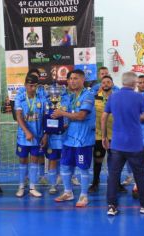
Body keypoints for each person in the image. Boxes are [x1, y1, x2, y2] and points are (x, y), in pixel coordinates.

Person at [102, 71, 144, 216]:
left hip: (117, 144)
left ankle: (111, 206)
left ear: (122, 82)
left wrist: (104, 136)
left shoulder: (113, 97)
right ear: (134, 83)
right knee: (139, 175)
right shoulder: (138, 97)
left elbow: (103, 118)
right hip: (134, 144)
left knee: (113, 175)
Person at [52, 69, 95, 207]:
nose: (72, 81)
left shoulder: (88, 95)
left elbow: (82, 116)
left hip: (83, 140)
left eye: (75, 78)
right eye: (70, 79)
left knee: (83, 168)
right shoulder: (69, 97)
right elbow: (68, 117)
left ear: (83, 80)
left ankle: (83, 196)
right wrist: (60, 124)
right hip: (68, 139)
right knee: (65, 166)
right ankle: (68, 192)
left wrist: (61, 113)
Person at [88, 75, 125, 193]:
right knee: (98, 160)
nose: (105, 84)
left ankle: (117, 184)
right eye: (103, 82)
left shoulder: (118, 99)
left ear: (112, 84)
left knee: (115, 161)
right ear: (100, 85)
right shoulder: (94, 98)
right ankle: (95, 182)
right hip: (99, 135)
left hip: (115, 135)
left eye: (108, 82)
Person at [15, 74, 47, 198]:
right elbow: (18, 116)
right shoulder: (19, 98)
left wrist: (45, 134)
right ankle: (21, 186)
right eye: (30, 86)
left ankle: (33, 187)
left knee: (34, 160)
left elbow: (45, 118)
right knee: (23, 160)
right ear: (25, 85)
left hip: (37, 137)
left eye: (34, 86)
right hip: (23, 137)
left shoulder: (42, 99)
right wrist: (27, 132)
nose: (32, 88)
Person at [43, 85, 70, 194]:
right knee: (52, 160)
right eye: (52, 92)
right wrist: (45, 132)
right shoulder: (46, 102)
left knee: (65, 161)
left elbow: (70, 115)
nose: (55, 94)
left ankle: (66, 186)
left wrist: (66, 124)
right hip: (51, 137)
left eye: (57, 91)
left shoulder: (66, 101)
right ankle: (52, 185)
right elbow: (44, 118)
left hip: (65, 136)